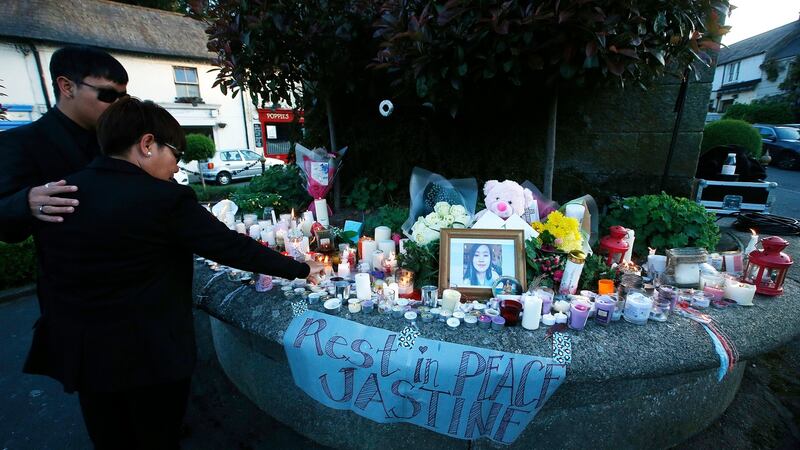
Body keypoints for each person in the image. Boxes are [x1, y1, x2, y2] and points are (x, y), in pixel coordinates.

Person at [24, 97, 325, 449]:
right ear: (147, 144)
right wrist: (300, 268)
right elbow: (228, 246)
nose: (176, 167)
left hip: (85, 352)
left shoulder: (61, 192)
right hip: (148, 353)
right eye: (176, 155)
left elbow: (48, 269)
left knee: (110, 438)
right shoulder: (164, 198)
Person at [0, 45, 128, 243]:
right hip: (73, 269)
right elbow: (8, 227)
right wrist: (25, 202)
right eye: (108, 95)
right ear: (67, 87)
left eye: (123, 97)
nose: (118, 105)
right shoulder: (19, 143)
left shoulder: (122, 139)